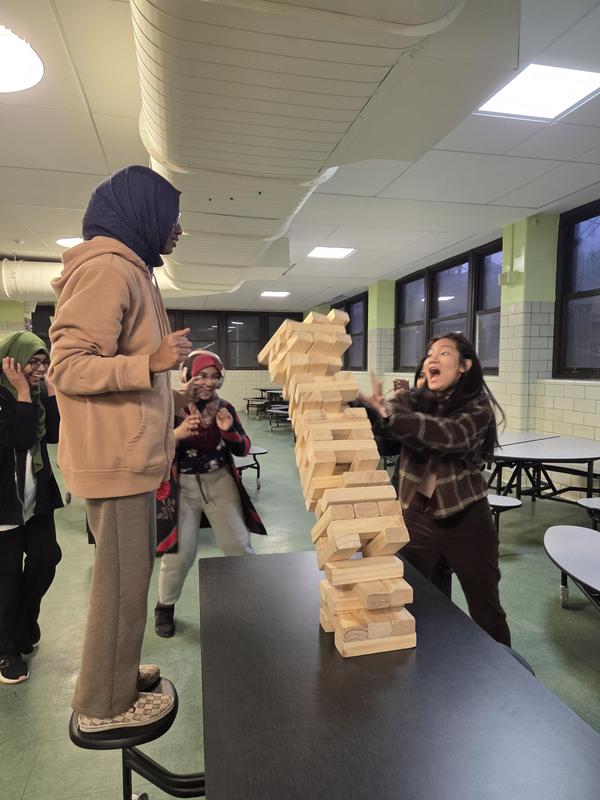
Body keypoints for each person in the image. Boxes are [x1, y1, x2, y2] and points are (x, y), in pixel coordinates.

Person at [48, 165, 192, 733]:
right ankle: (105, 704)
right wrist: (152, 363)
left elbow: (122, 368)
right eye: (172, 218)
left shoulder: (130, 271)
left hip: (123, 455)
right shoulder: (109, 268)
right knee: (120, 584)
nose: (177, 230)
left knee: (129, 579)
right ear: (142, 214)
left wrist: (170, 393)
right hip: (116, 463)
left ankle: (120, 672)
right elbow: (68, 367)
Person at [362, 333, 510, 645]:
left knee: (486, 610)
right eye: (430, 353)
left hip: (467, 519)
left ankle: (504, 677)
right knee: (419, 601)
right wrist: (378, 415)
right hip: (418, 517)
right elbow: (390, 438)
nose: (433, 358)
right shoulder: (412, 401)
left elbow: (449, 436)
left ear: (464, 366)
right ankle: (431, 671)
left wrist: (395, 416)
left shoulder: (478, 407)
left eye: (444, 353)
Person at [155, 350, 266, 637]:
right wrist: (177, 434)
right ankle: (164, 607)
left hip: (220, 483)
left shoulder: (223, 407)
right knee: (179, 553)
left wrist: (228, 431)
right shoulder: (170, 405)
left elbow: (243, 448)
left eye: (214, 377)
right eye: (201, 374)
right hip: (182, 488)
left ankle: (251, 600)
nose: (208, 382)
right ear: (186, 374)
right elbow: (150, 447)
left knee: (239, 546)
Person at [0, 333, 63, 684]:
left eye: (44, 362)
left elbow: (52, 435)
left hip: (35, 498)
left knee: (46, 557)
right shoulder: (5, 397)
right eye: (34, 362)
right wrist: (23, 391)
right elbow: (20, 439)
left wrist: (48, 390)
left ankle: (23, 624)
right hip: (4, 504)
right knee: (6, 579)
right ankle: (7, 649)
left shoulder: (37, 395)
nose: (40, 369)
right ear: (11, 362)